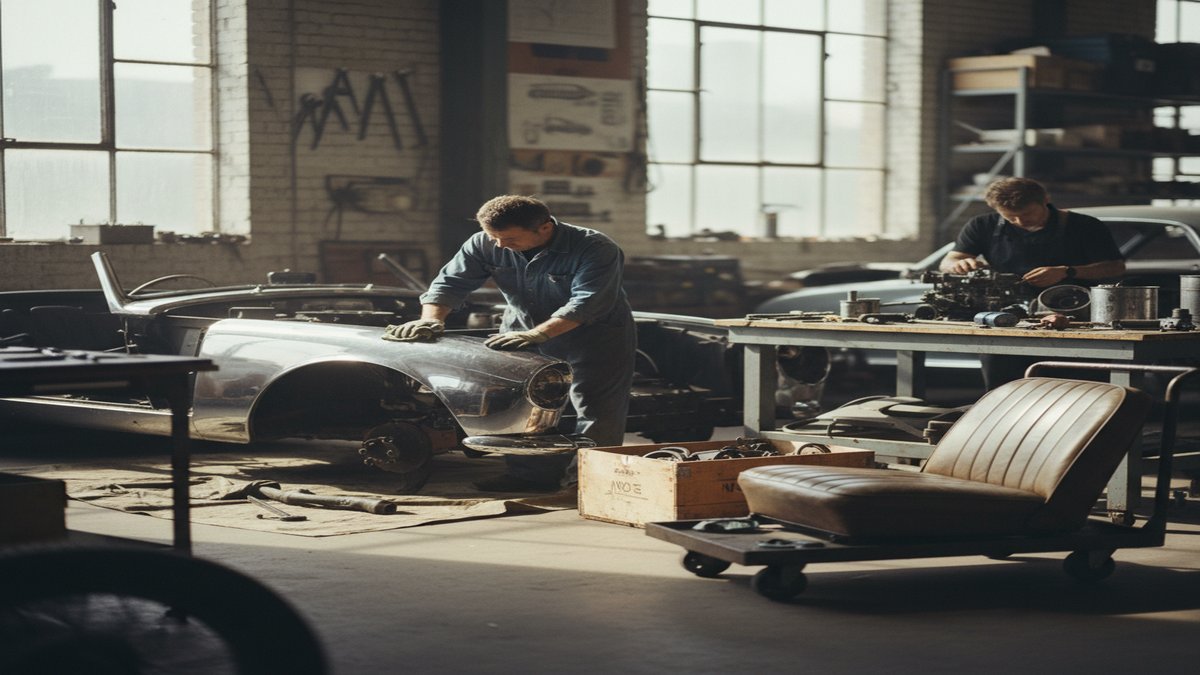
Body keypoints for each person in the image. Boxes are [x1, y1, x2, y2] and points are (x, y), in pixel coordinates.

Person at [388, 195, 636, 492]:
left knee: (596, 410)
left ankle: (589, 485)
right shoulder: (484, 242)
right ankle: (530, 476)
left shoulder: (595, 248)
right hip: (521, 334)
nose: (500, 246)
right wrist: (431, 319)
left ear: (544, 228)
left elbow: (587, 303)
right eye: (494, 237)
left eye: (509, 238)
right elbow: (450, 283)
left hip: (594, 337)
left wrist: (538, 334)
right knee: (526, 407)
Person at [938, 177, 1125, 389]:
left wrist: (1067, 271)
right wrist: (960, 264)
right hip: (1008, 321)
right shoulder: (982, 225)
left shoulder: (1084, 226)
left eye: (1026, 214)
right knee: (1004, 388)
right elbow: (948, 261)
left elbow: (1115, 268)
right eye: (1010, 218)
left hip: (1072, 320)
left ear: (1045, 199)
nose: (1020, 222)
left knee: (1072, 389)